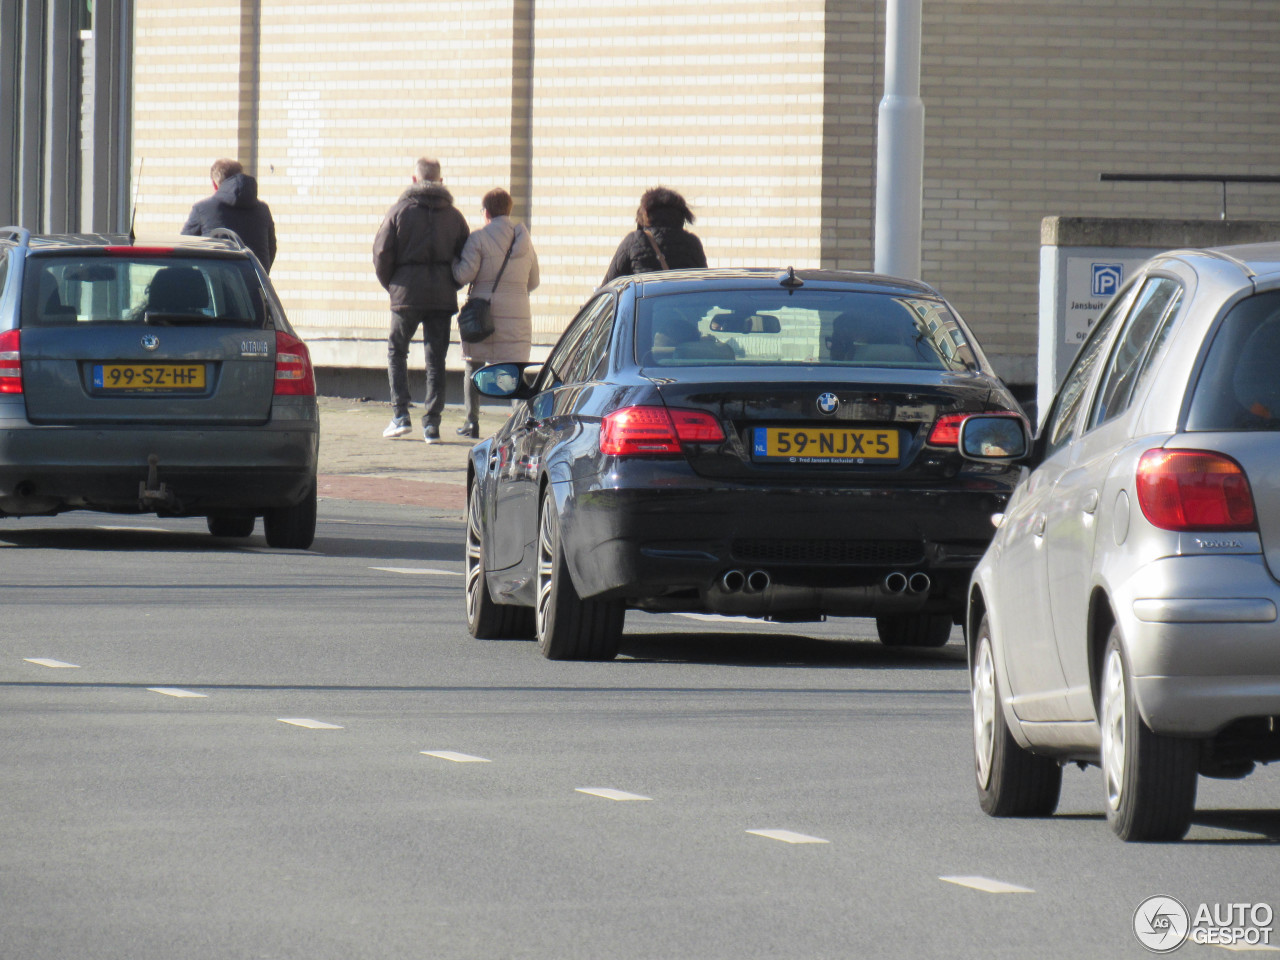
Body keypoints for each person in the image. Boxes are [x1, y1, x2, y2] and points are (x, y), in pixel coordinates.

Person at [372, 157, 470, 442]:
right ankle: (432, 424)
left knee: (396, 351)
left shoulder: (399, 211)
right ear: (440, 181)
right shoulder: (453, 215)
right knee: (435, 358)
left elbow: (381, 253)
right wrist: (452, 281)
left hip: (406, 292)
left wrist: (393, 285)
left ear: (414, 180)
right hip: (441, 294)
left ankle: (400, 415)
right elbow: (467, 255)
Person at [451, 187, 539, 438]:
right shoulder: (524, 239)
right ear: (509, 210)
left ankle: (471, 422)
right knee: (514, 372)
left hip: (483, 315)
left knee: (473, 365)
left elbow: (463, 275)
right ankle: (522, 427)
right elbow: (533, 281)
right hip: (517, 316)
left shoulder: (478, 238)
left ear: (486, 212)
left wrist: (453, 263)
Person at [181, 159, 277, 271]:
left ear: (215, 184)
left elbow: (184, 248)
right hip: (255, 284)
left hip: (216, 283)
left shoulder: (202, 209)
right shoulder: (263, 210)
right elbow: (271, 249)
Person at [602, 186, 707, 284]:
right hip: (685, 303)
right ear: (682, 216)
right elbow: (705, 286)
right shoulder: (692, 243)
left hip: (645, 303)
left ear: (645, 214)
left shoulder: (634, 242)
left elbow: (609, 286)